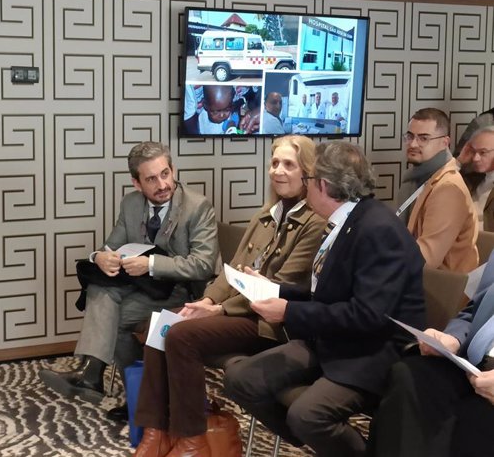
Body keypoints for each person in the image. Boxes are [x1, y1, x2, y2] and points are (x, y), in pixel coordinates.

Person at [224, 140, 425, 457]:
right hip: (332, 340)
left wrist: (288, 312)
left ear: (323, 185)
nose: (302, 186)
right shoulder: (346, 221)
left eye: (307, 179)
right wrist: (274, 289)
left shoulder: (378, 229)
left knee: (307, 415)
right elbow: (327, 293)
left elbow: (368, 316)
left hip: (372, 352)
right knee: (240, 378)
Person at [132, 135, 325, 457]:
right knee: (162, 326)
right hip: (237, 312)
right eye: (274, 163)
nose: (278, 171)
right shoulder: (266, 215)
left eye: (288, 164)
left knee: (181, 337)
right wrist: (207, 301)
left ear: (307, 171)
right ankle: (157, 432)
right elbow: (232, 270)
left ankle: (192, 441)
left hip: (272, 324)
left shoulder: (315, 223)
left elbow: (279, 286)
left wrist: (219, 311)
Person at [39, 142, 219, 416]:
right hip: (142, 289)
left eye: (165, 174)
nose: (162, 184)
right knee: (102, 288)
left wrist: (152, 264)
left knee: (115, 314)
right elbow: (111, 246)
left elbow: (203, 265)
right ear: (137, 183)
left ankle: (103, 380)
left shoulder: (197, 207)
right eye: (151, 179)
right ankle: (127, 392)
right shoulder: (131, 203)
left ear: (173, 170)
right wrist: (100, 256)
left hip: (183, 292)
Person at [368, 254, 494, 457]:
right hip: (476, 364)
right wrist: (453, 338)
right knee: (409, 376)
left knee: (472, 420)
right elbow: (474, 310)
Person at [397, 108, 478, 272]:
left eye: (423, 138)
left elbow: (426, 259)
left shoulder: (448, 188)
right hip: (415, 278)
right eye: (410, 136)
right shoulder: (415, 178)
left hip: (440, 290)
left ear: (445, 142)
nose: (413, 144)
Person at [457, 126, 494, 231]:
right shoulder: (470, 179)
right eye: (473, 152)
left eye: (483, 152)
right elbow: (437, 184)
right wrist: (459, 161)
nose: (475, 158)